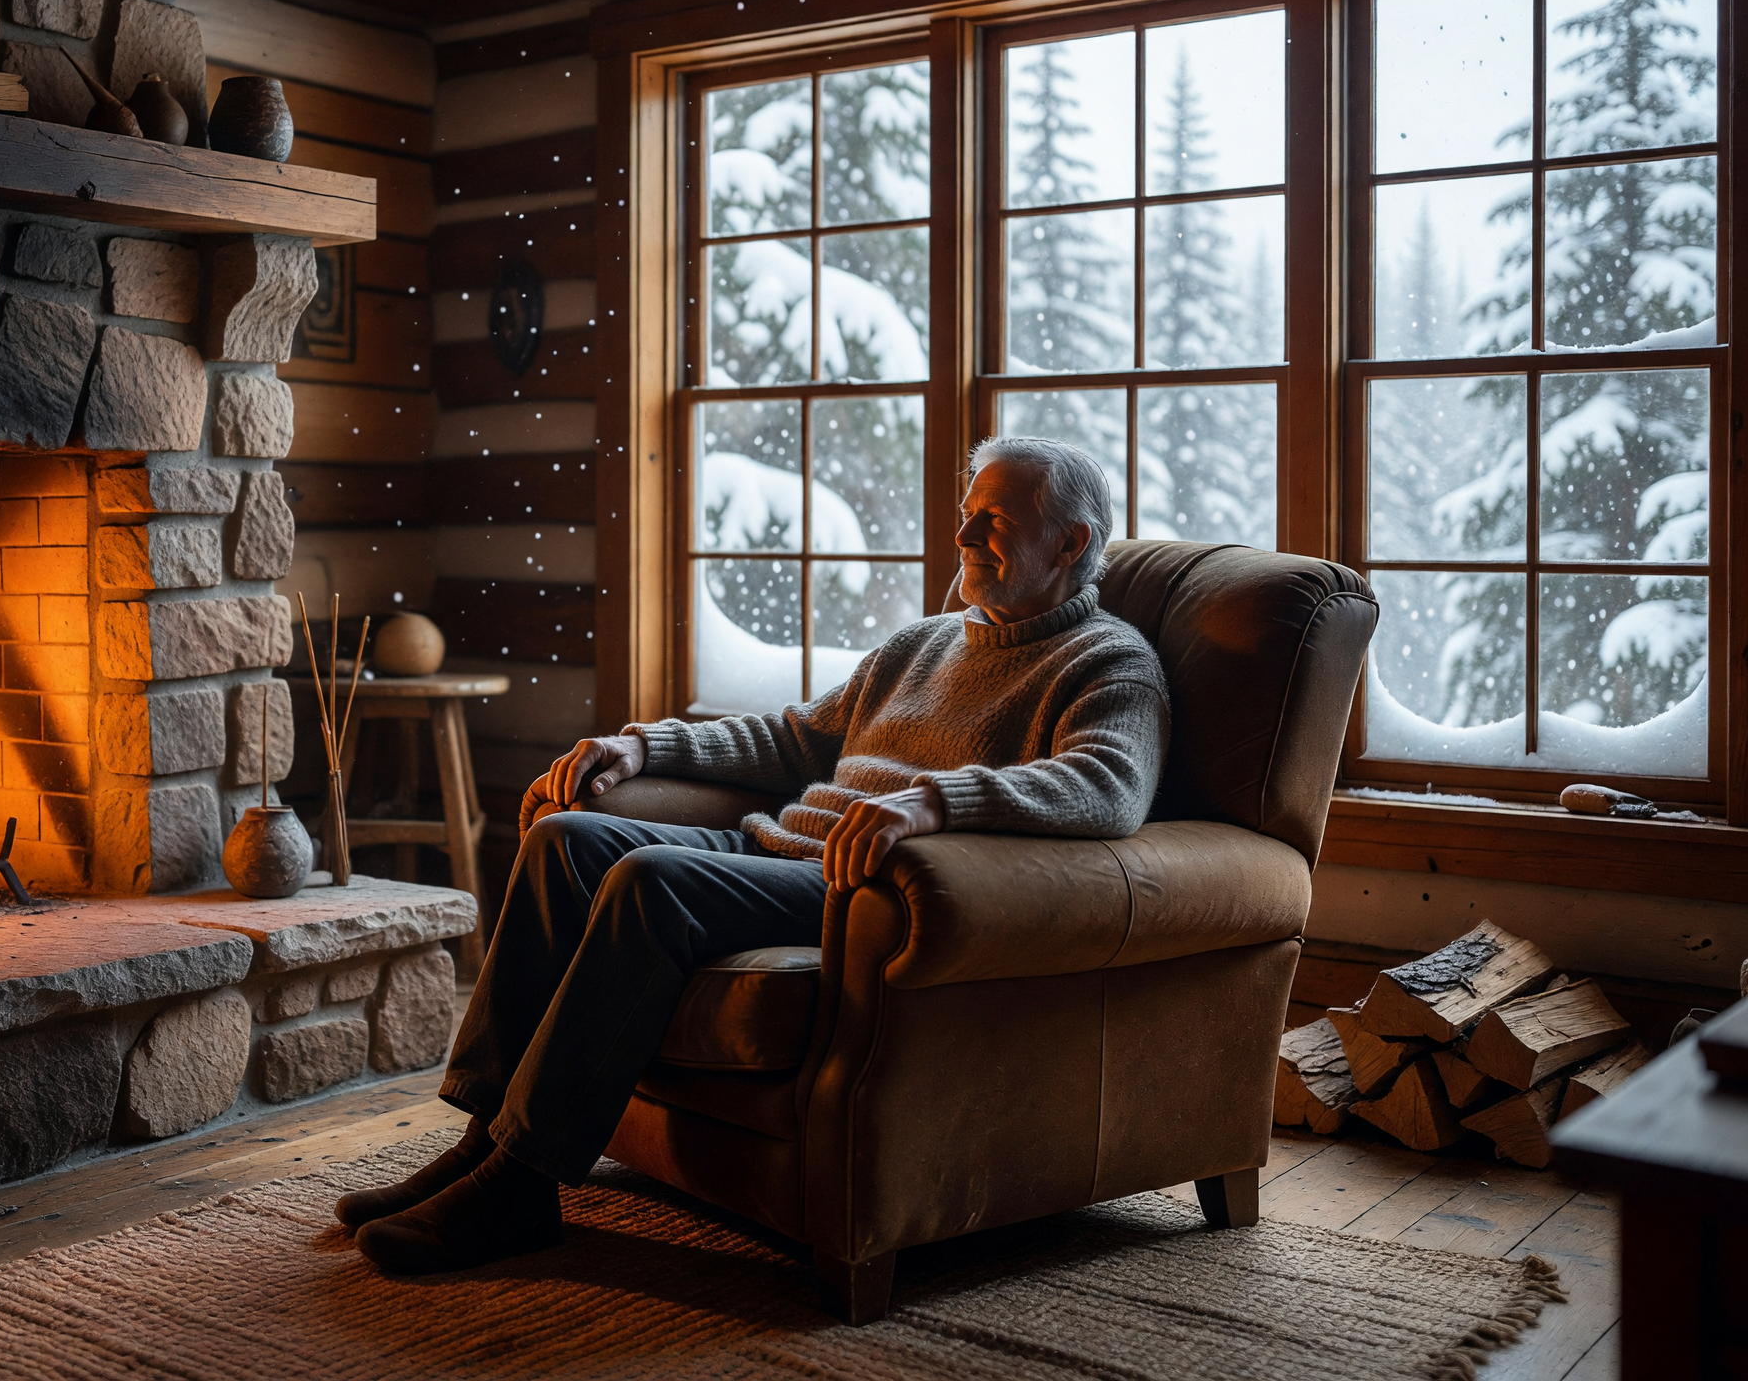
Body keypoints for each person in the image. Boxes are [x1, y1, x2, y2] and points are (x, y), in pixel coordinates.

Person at [339, 435, 1173, 1276]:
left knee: (652, 882)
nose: (962, 537)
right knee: (565, 840)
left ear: (1069, 542)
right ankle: (483, 1140)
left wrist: (934, 801)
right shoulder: (923, 644)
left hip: (851, 888)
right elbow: (793, 738)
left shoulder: (1109, 661)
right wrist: (645, 747)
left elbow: (1109, 786)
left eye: (993, 521)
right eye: (966, 516)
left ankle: (520, 1182)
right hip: (774, 849)